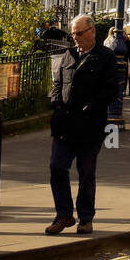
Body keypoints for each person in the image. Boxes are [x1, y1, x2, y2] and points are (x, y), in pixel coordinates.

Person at [46, 14, 117, 235]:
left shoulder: (106, 57)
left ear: (92, 32)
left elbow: (112, 89)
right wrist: (56, 101)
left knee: (86, 173)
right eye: (73, 33)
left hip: (90, 127)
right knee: (57, 167)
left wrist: (92, 107)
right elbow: (57, 84)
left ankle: (86, 218)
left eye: (79, 33)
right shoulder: (67, 55)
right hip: (64, 125)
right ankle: (64, 215)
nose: (75, 38)